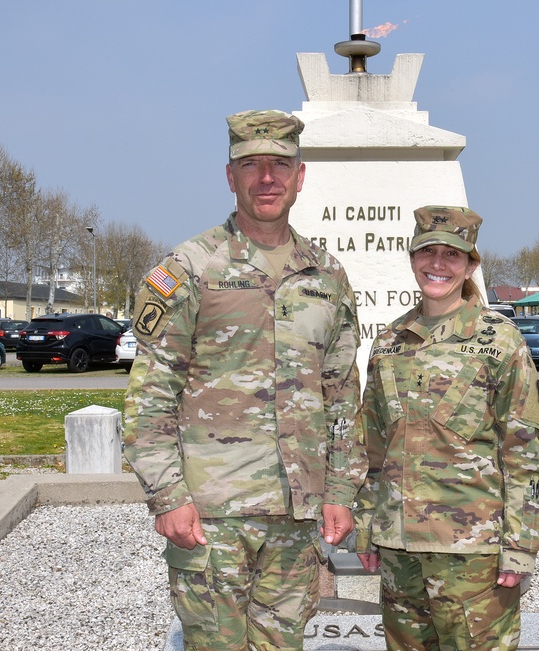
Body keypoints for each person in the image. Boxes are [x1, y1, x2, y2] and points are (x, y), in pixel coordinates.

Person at [123, 109, 366, 651]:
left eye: (280, 165)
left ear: (300, 177)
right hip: (212, 514)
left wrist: (342, 490)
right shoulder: (189, 270)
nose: (266, 178)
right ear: (229, 176)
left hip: (297, 513)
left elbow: (342, 394)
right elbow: (150, 397)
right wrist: (168, 497)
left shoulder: (326, 276)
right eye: (251, 165)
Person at [354, 206, 539, 651]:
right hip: (399, 546)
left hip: (472, 553)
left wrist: (521, 545)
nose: (438, 265)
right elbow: (371, 447)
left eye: (452, 255)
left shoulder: (500, 341)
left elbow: (525, 452)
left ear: (470, 265)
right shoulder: (389, 343)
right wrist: (367, 526)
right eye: (428, 252)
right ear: (412, 258)